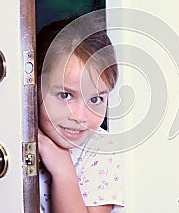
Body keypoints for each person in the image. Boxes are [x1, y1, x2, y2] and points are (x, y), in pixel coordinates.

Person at [37, 13, 125, 213]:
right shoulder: (16, 135)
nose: (79, 116)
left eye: (95, 99)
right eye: (65, 95)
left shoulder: (100, 150)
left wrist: (63, 170)